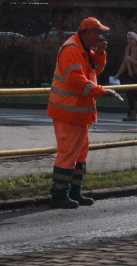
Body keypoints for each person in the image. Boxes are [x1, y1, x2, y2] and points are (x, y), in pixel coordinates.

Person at [47, 17, 120, 209]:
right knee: (68, 153)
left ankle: (74, 192)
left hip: (78, 113)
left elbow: (96, 69)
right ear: (87, 33)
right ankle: (59, 195)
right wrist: (102, 91)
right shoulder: (71, 49)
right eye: (97, 33)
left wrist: (101, 52)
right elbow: (77, 81)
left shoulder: (84, 49)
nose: (100, 36)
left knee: (79, 154)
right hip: (68, 113)